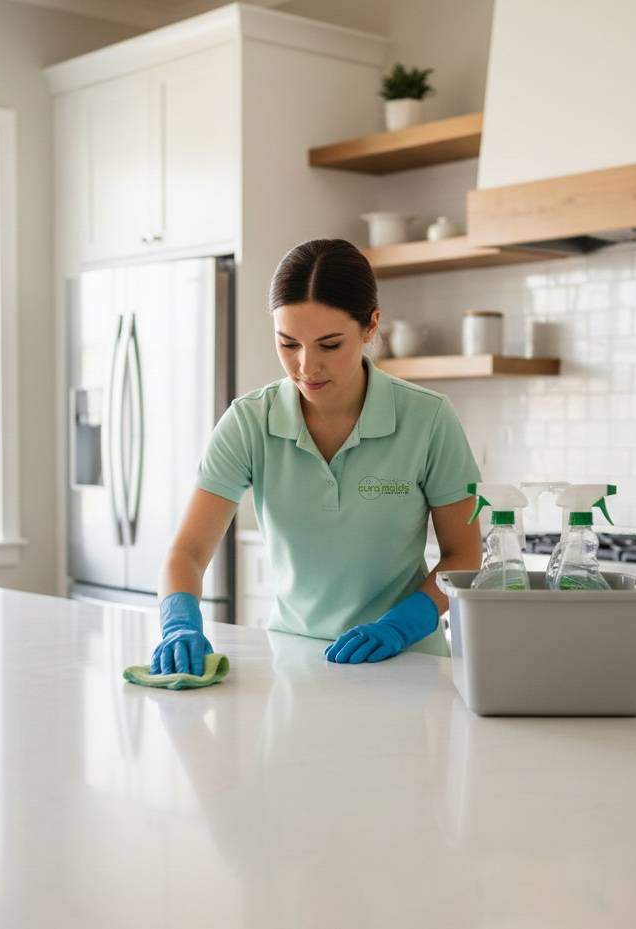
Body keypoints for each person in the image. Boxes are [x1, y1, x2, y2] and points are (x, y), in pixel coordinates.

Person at [151, 238, 482, 675]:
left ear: (370, 326)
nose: (306, 366)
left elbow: (464, 554)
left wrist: (402, 626)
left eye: (329, 345)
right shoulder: (249, 422)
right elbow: (188, 552)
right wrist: (179, 624)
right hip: (294, 660)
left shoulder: (428, 418)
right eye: (288, 344)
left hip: (408, 664)